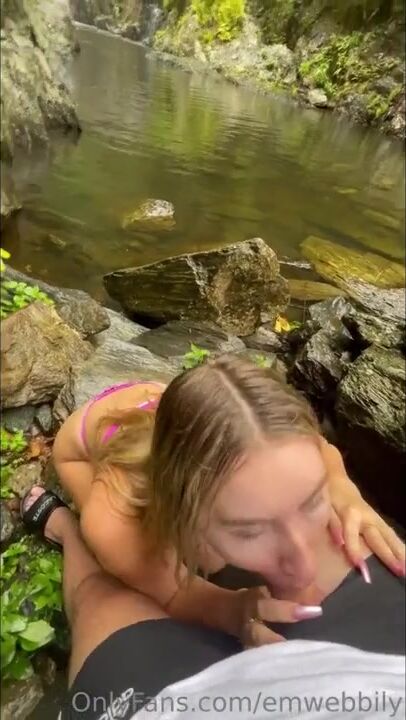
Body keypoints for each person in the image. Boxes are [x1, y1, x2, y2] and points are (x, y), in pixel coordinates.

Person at [23, 355, 405, 647]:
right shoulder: (113, 513)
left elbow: (324, 451)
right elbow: (175, 594)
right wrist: (231, 610)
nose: (304, 569)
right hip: (82, 450)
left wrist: (342, 489)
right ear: (180, 504)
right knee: (153, 562)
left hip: (168, 414)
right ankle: (64, 527)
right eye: (248, 531)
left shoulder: (271, 439)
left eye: (312, 500)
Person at [22, 491, 404, 720]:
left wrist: (341, 488)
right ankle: (75, 533)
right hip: (380, 671)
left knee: (99, 600)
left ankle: (69, 533)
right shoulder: (107, 515)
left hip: (174, 703)